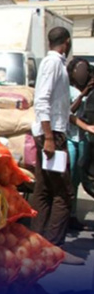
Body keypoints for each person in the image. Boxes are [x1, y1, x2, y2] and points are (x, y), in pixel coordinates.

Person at [31, 27, 92, 265]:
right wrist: (48, 137)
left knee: (44, 190)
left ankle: (37, 244)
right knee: (64, 193)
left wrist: (85, 127)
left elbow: (61, 109)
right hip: (52, 136)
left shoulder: (54, 64)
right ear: (66, 43)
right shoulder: (54, 64)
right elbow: (42, 102)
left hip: (53, 132)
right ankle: (54, 247)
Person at [66, 58, 94, 230]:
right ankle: (66, 213)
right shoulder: (68, 89)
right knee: (69, 176)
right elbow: (69, 111)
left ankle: (73, 214)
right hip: (70, 136)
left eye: (85, 70)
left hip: (84, 138)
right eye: (79, 69)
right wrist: (83, 93)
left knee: (78, 177)